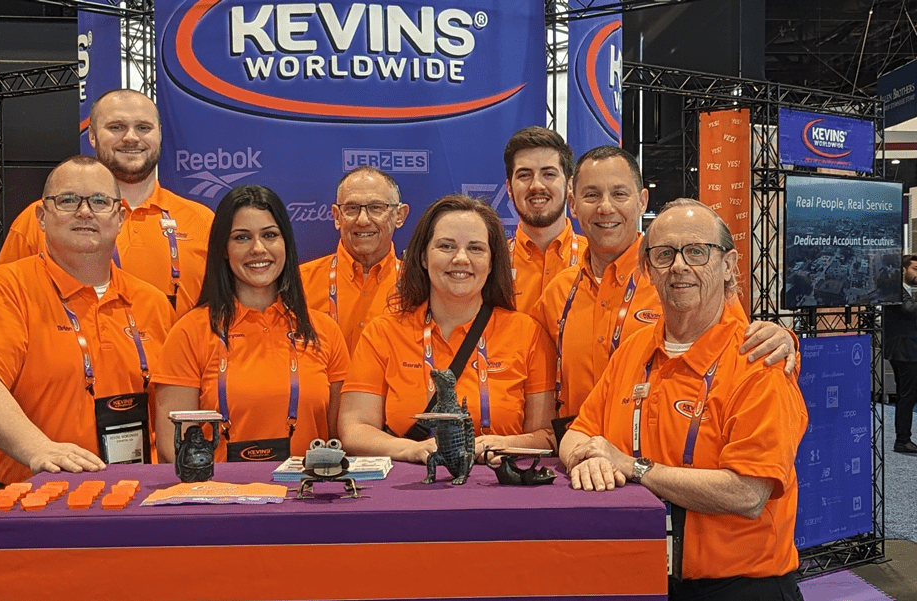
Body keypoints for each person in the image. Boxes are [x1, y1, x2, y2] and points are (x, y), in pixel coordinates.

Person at [560, 199, 807, 600]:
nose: (678, 266)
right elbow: (578, 433)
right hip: (640, 578)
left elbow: (748, 493)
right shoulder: (633, 351)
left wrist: (633, 467)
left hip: (739, 587)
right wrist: (586, 460)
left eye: (696, 251)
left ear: (728, 265)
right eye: (664, 254)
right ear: (648, 270)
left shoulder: (759, 361)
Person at [0, 155, 173, 500]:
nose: (85, 212)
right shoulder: (5, 289)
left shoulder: (152, 303)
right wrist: (39, 449)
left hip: (135, 499)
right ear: (41, 216)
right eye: (68, 200)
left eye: (100, 201)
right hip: (30, 501)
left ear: (120, 218)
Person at [532, 145, 796, 421]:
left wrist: (784, 341)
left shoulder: (681, 282)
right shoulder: (557, 293)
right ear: (573, 204)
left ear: (642, 201)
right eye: (591, 195)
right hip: (577, 443)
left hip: (664, 444)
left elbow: (745, 350)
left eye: (619, 194)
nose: (605, 207)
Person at [340, 195, 557, 464]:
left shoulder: (528, 333)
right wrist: (410, 450)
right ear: (423, 256)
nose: (461, 259)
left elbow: (546, 435)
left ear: (492, 262)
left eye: (476, 248)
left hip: (496, 482)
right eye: (446, 246)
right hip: (410, 482)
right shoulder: (382, 333)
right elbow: (354, 430)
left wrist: (504, 444)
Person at [153, 185, 349, 463]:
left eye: (270, 235)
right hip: (220, 490)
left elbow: (341, 439)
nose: (258, 248)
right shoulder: (189, 332)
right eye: (242, 237)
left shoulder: (324, 331)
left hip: (306, 488)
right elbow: (173, 448)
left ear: (286, 243)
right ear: (223, 249)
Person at [0, 89, 213, 320]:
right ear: (92, 136)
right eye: (116, 127)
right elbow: (3, 306)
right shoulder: (45, 217)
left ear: (159, 134)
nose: (131, 137)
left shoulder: (203, 222)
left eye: (143, 127)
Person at [299, 166, 409, 352]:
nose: (363, 220)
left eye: (376, 208)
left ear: (399, 215)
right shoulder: (299, 282)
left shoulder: (420, 284)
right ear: (337, 217)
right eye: (352, 208)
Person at [502, 127, 588, 314]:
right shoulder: (492, 264)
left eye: (548, 174)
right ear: (509, 188)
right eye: (525, 175)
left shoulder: (595, 260)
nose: (536, 185)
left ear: (570, 185)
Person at [884, 255, 917, 454]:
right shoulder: (895, 290)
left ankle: (903, 438)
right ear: (903, 270)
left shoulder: (906, 291)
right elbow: (909, 310)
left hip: (907, 350)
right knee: (907, 396)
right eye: (915, 269)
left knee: (908, 396)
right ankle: (902, 440)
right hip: (904, 352)